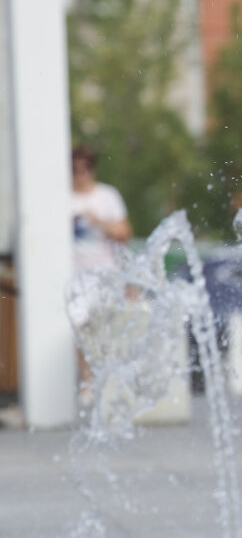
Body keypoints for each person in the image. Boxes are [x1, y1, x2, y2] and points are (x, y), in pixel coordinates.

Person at [69, 145, 132, 397]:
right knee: (80, 325)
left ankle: (102, 381)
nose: (80, 175)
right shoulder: (62, 198)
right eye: (75, 170)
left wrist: (99, 221)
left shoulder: (107, 196)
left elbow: (124, 233)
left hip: (104, 274)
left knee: (103, 328)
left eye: (85, 169)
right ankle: (87, 380)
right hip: (74, 276)